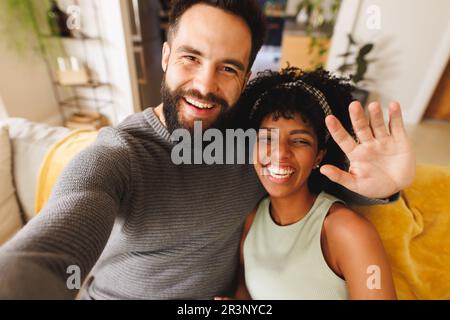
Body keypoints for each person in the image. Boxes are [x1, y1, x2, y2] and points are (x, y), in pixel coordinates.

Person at [0, 1, 415, 299]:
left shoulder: (250, 142)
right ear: (165, 56)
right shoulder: (118, 157)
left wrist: (384, 188)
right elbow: (43, 257)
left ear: (246, 76)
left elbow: (312, 182)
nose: (204, 84)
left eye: (228, 68)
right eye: (190, 58)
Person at [221, 68, 397, 300]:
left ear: (319, 156)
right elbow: (244, 292)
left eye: (299, 140)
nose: (280, 153)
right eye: (267, 138)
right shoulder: (252, 219)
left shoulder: (347, 231)